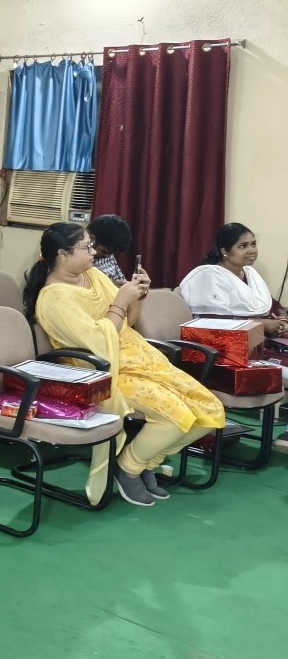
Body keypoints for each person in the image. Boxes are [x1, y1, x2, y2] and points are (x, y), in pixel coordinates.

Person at [24, 222, 226, 507]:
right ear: (63, 254)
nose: (94, 252)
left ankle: (142, 463)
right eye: (86, 247)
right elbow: (98, 342)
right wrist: (120, 300)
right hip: (103, 370)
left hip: (138, 357)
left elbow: (126, 322)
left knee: (209, 409)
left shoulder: (92, 275)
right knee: (175, 417)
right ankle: (129, 467)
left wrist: (138, 295)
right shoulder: (54, 297)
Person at [179, 223, 288, 337]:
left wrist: (284, 322)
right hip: (224, 342)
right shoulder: (209, 276)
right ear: (225, 251)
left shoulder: (250, 273)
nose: (252, 250)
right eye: (243, 246)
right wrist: (261, 324)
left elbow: (270, 304)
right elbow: (214, 320)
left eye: (253, 244)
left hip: (259, 337)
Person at [85, 214, 132, 285]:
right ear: (91, 239)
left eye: (112, 253)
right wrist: (112, 285)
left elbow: (120, 279)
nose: (108, 256)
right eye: (104, 251)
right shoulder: (76, 259)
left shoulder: (106, 253)